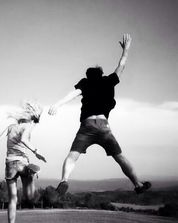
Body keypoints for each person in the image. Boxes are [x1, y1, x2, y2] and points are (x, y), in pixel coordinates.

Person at [48, 34, 151, 196]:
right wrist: (126, 50)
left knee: (72, 156)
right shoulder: (109, 81)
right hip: (104, 127)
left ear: (88, 75)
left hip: (87, 126)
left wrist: (57, 105)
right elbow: (121, 66)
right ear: (101, 73)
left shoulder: (85, 82)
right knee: (120, 157)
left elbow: (73, 94)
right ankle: (137, 184)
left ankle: (64, 180)